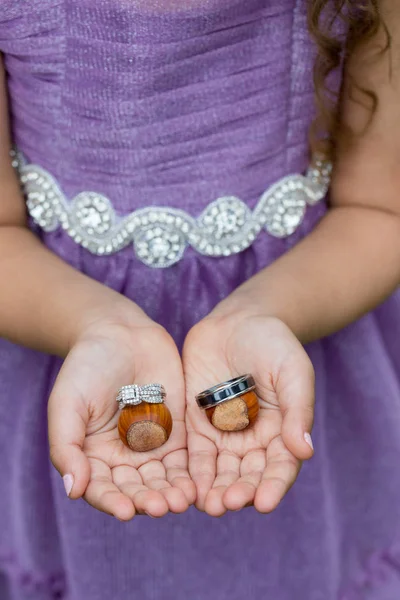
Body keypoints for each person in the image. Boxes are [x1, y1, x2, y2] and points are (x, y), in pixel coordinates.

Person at [1, 0, 400, 598]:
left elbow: (380, 210)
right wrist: (93, 325)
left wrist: (266, 312)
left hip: (311, 336)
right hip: (53, 347)